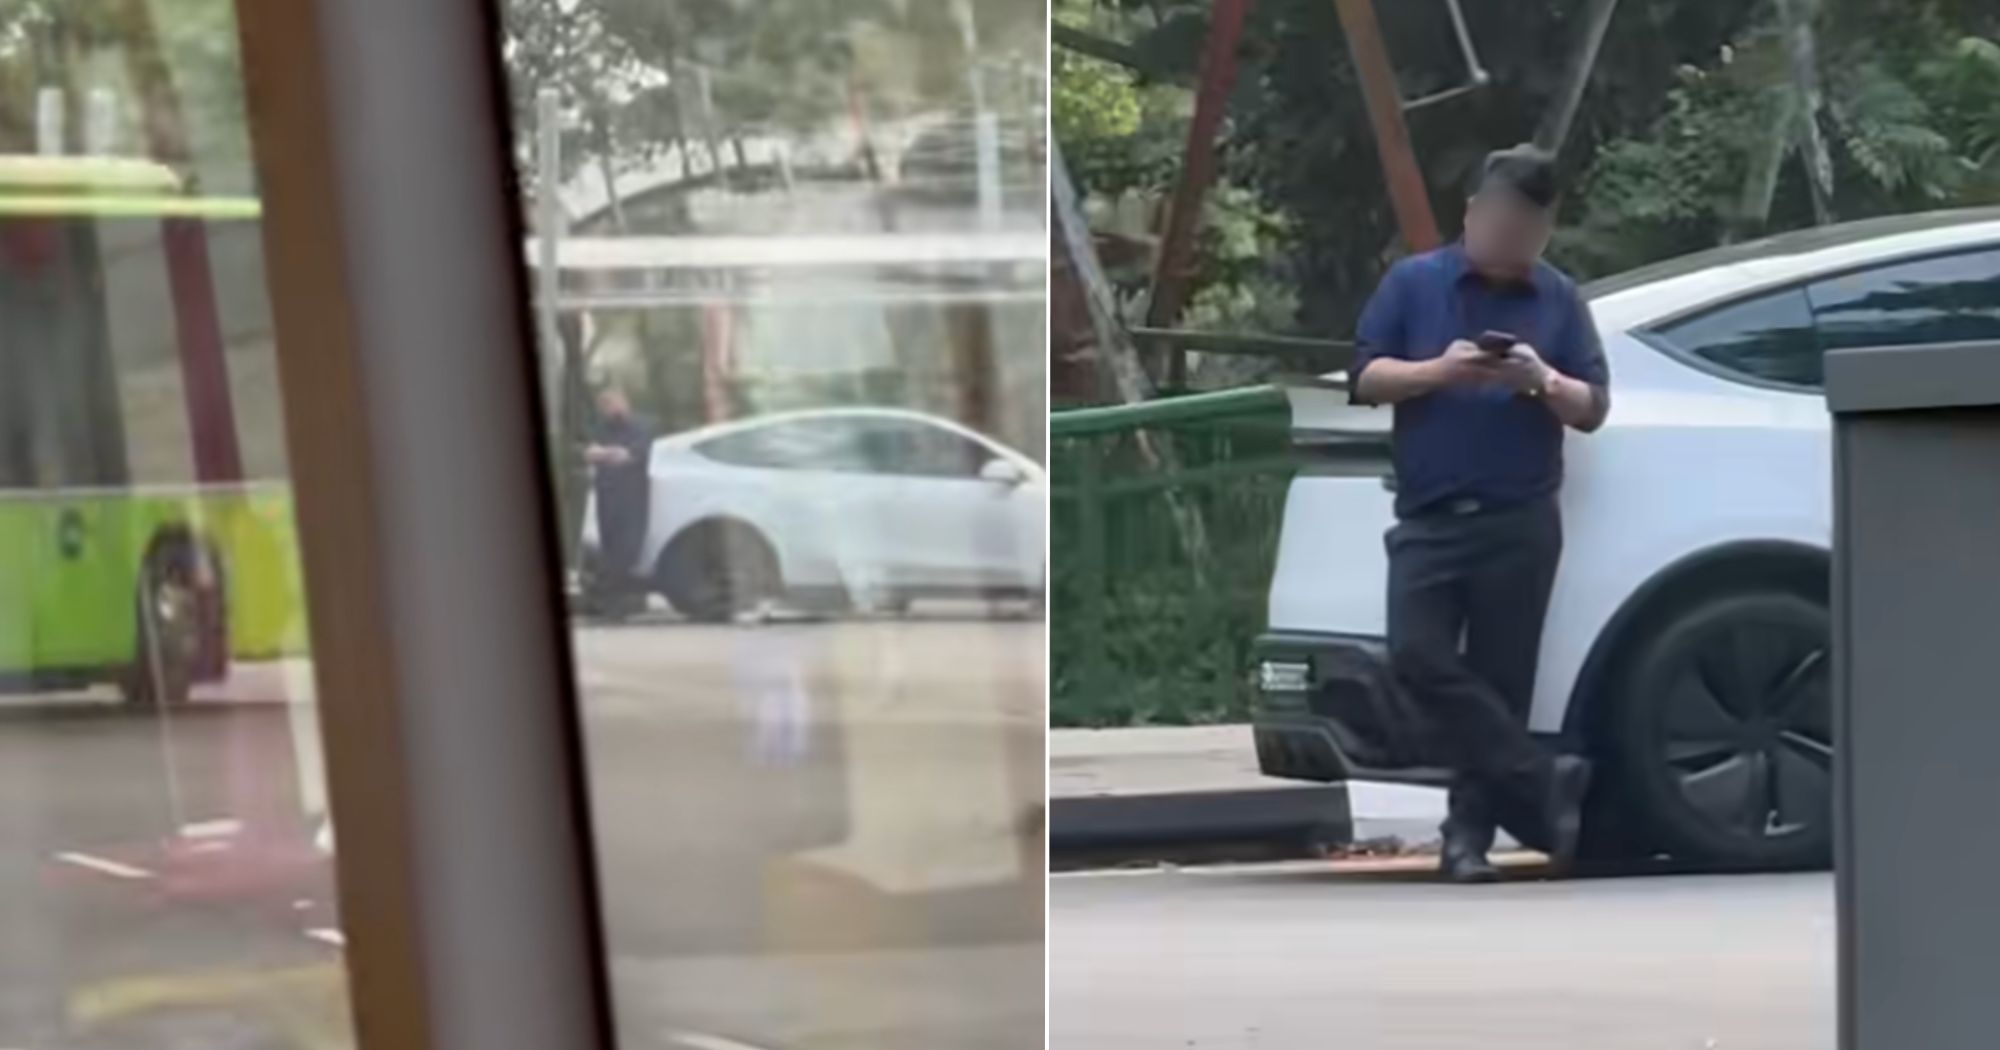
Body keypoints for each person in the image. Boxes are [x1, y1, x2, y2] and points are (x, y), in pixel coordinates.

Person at [1349, 146, 1612, 883]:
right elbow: (1364, 377)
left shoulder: (1559, 298)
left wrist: (1542, 379)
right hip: (1431, 516)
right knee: (1417, 658)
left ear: (1545, 230)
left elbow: (1592, 407)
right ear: (1473, 214)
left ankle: (1467, 843)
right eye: (1498, 223)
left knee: (1501, 685)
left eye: (1525, 230)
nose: (1509, 240)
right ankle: (1543, 777)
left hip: (1519, 519)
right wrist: (1441, 370)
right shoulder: (1414, 284)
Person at [584, 386, 654, 619]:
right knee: (610, 547)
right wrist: (609, 453)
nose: (608, 409)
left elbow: (634, 454)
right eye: (604, 405)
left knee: (628, 548)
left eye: (611, 403)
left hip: (633, 496)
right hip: (607, 496)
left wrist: (610, 454)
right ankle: (613, 604)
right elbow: (591, 452)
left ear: (624, 402)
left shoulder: (642, 425)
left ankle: (624, 601)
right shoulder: (602, 428)